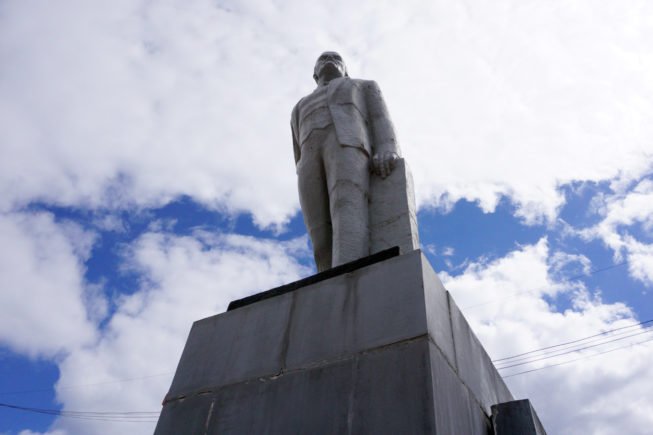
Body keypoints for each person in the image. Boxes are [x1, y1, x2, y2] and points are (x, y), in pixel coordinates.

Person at [291, 51, 401, 271]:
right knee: (318, 227)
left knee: (347, 206)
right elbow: (296, 145)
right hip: (309, 158)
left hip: (346, 145)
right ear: (314, 73)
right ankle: (326, 277)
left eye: (336, 58)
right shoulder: (298, 107)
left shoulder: (363, 86)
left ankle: (350, 268)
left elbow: (381, 118)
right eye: (322, 59)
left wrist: (387, 147)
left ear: (345, 69)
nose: (329, 60)